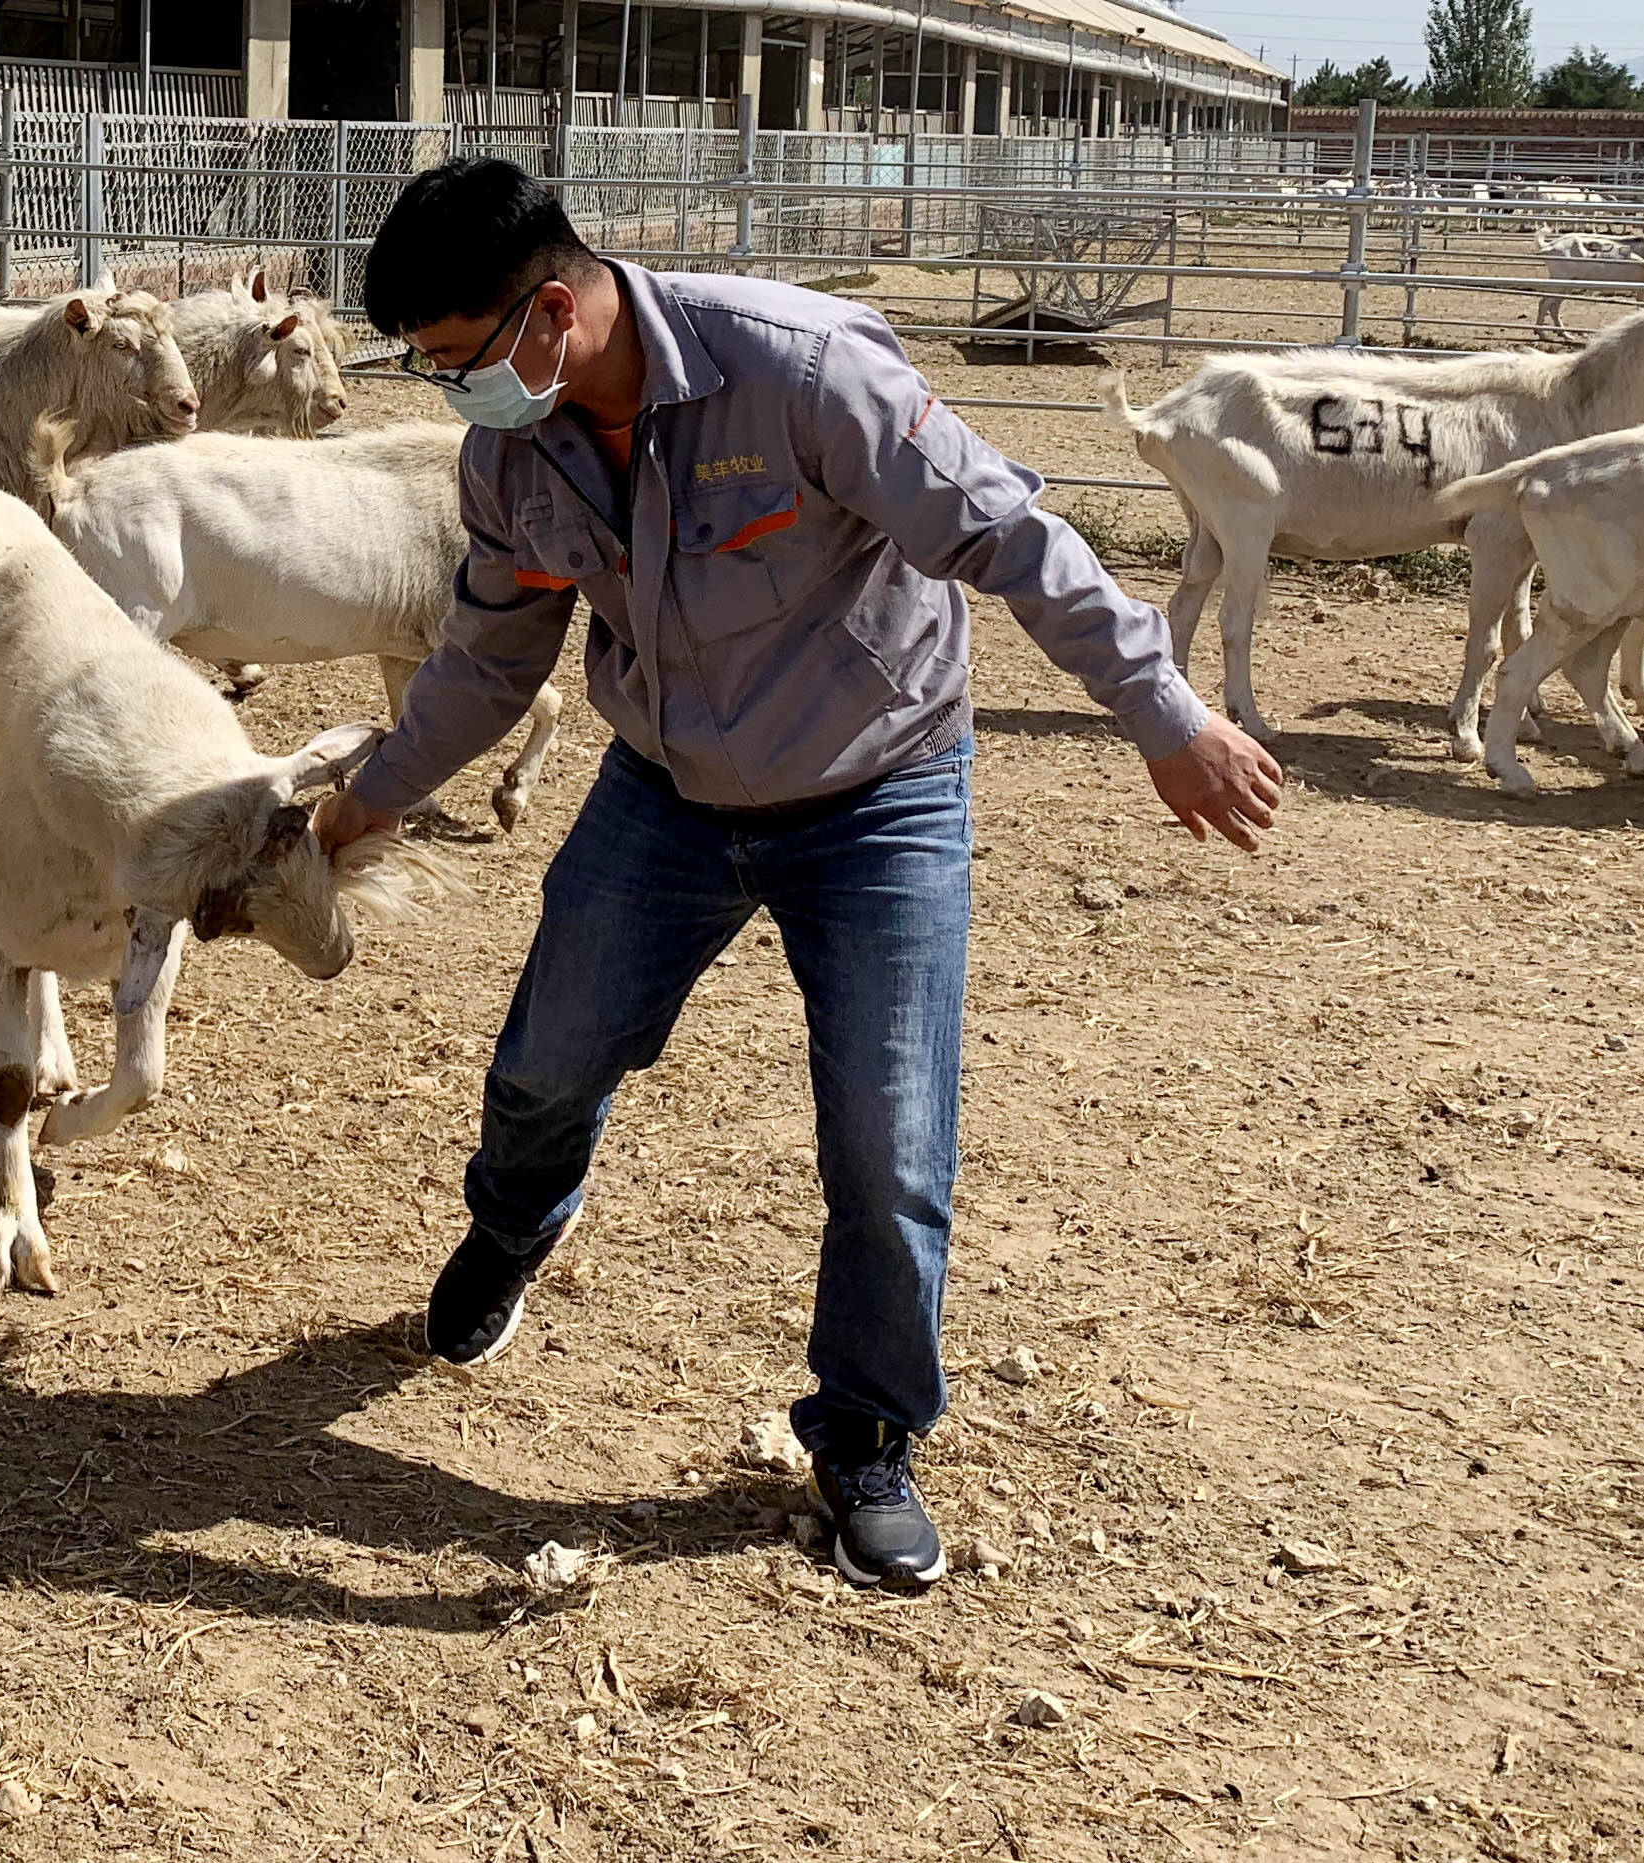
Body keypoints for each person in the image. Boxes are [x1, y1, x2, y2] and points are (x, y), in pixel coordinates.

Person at [310, 158, 1281, 1591]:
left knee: (889, 1142)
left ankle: (868, 1435)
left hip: (878, 794)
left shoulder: (805, 375)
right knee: (545, 1066)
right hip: (667, 792)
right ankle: (519, 1222)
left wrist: (1167, 713)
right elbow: (485, 666)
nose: (455, 394)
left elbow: (1011, 537)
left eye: (461, 361)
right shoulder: (512, 457)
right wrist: (364, 803)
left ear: (555, 309)